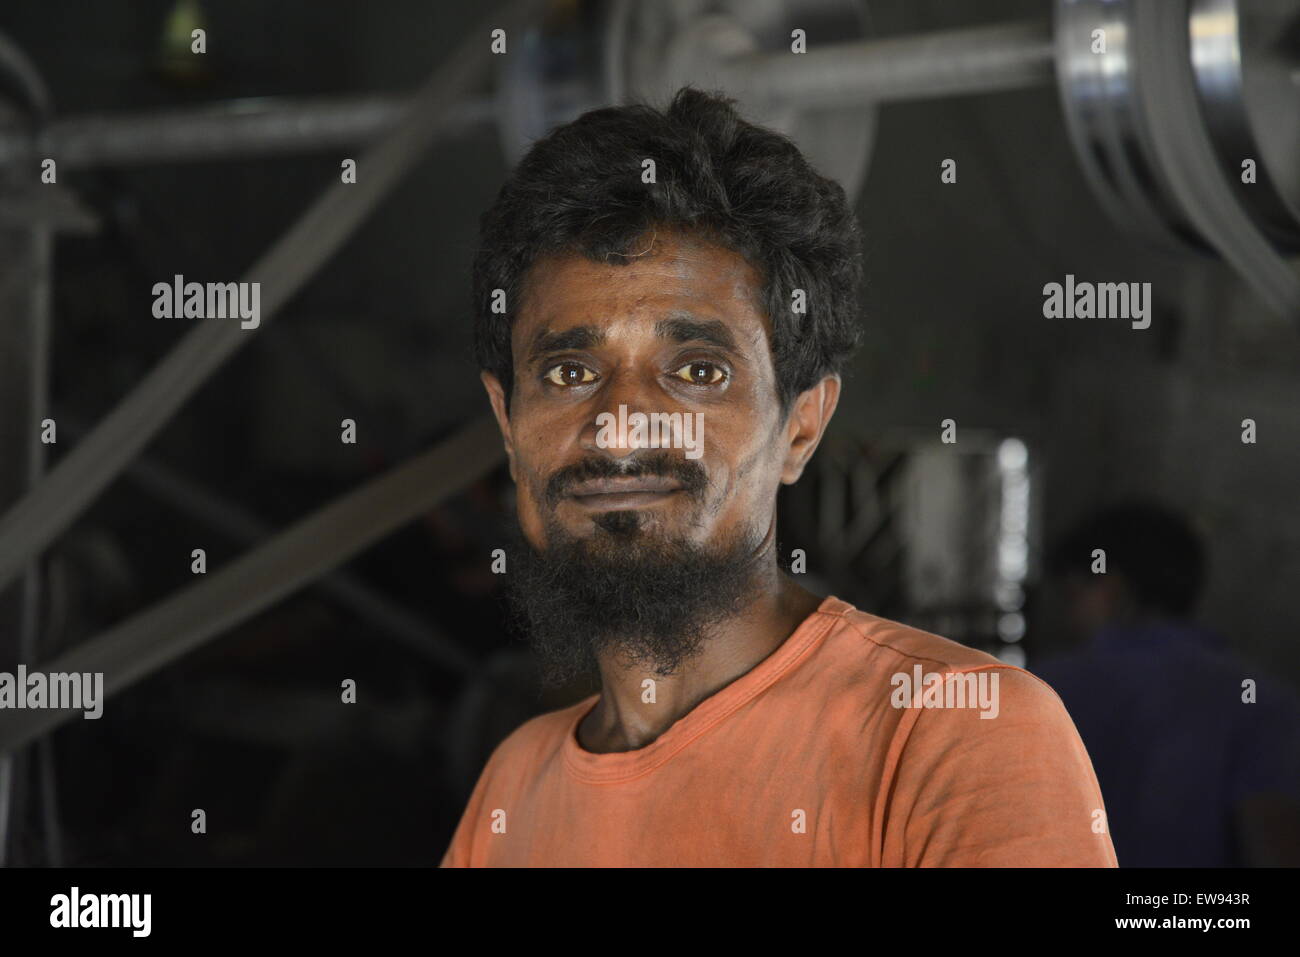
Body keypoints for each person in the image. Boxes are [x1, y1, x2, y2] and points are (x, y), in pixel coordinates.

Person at [440, 86, 1116, 867]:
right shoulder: (513, 785)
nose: (620, 422)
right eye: (567, 371)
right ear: (508, 424)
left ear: (800, 425)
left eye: (696, 368)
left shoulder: (955, 735)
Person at [1035, 502, 1300, 866]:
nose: (1066, 616)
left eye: (1072, 595)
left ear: (1111, 590)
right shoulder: (1259, 700)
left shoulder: (1038, 693)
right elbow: (1274, 845)